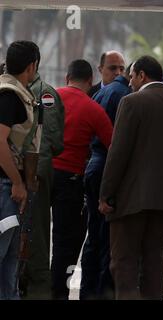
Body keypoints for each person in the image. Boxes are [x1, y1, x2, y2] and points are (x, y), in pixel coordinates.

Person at [98, 55, 163, 300]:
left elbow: (118, 152)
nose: (129, 82)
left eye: (131, 76)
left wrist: (106, 194)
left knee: (124, 264)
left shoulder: (131, 102)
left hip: (131, 201)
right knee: (154, 265)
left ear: (142, 75)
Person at [51, 59, 113, 300]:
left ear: (67, 78)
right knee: (65, 243)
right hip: (71, 180)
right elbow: (113, 146)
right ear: (90, 82)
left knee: (35, 238)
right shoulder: (93, 108)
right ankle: (58, 293)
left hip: (43, 175)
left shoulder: (50, 99)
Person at [79, 63, 132, 300]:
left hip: (94, 165)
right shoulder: (124, 95)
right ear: (136, 76)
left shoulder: (104, 90)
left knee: (95, 234)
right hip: (106, 166)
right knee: (108, 237)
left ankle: (87, 291)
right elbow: (117, 144)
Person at [19, 53, 65, 300]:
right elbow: (55, 141)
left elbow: (51, 140)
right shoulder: (43, 93)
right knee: (33, 234)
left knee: (31, 236)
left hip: (31, 173)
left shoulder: (42, 94)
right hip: (33, 171)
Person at [0, 40, 40, 300]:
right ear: (32, 66)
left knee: (10, 262)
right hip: (5, 188)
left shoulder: (19, 94)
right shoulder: (9, 95)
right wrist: (17, 182)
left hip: (11, 189)